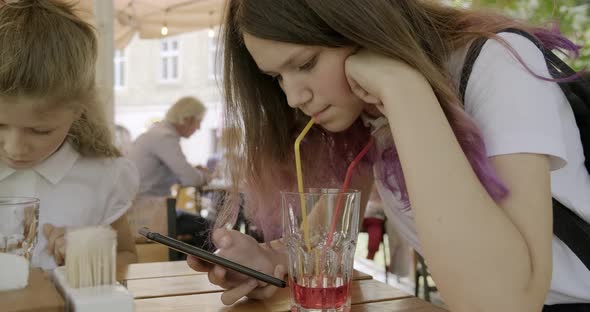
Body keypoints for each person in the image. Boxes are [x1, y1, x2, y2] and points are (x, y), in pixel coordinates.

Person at [187, 0, 590, 311]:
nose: (293, 97)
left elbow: (507, 303)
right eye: (277, 78)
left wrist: (404, 89)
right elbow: (327, 238)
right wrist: (271, 258)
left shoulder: (496, 65)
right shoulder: (367, 119)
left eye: (306, 64)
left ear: (362, 23)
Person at [0, 0, 138, 271]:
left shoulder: (103, 176)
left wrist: (89, 255)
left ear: (78, 110)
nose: (16, 149)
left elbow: (127, 257)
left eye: (40, 131)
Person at [128, 96, 209, 197]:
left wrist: (192, 169)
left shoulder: (159, 132)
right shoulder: (165, 137)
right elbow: (191, 179)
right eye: (199, 121)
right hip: (147, 204)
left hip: (145, 200)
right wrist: (207, 176)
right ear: (187, 119)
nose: (199, 128)